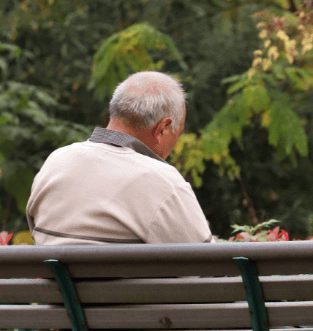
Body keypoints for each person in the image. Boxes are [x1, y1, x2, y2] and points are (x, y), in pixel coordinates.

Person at [26, 70, 215, 245]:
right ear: (163, 129)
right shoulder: (162, 180)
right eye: (177, 133)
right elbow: (210, 265)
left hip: (58, 281)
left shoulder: (56, 161)